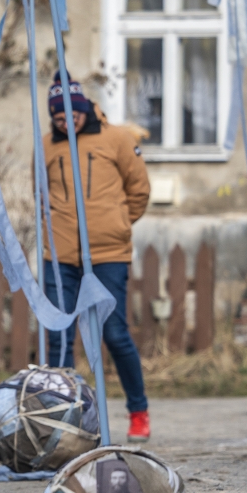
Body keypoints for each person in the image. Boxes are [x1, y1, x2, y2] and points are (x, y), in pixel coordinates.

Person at [41, 74, 151, 440]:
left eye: (72, 115)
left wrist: (117, 224)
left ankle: (138, 411)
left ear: (85, 108)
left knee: (114, 333)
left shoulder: (118, 139)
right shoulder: (46, 146)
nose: (66, 123)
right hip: (60, 254)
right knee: (59, 335)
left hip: (108, 253)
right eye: (59, 118)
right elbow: (41, 196)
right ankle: (63, 414)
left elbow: (139, 190)